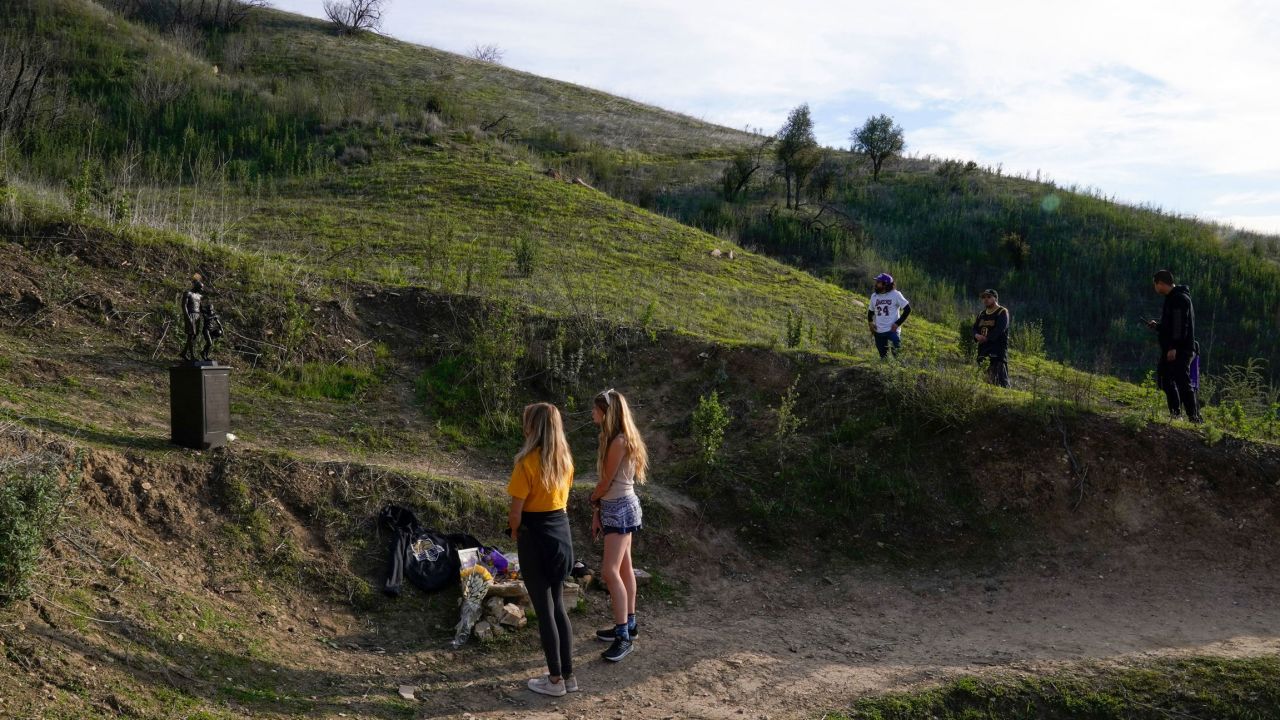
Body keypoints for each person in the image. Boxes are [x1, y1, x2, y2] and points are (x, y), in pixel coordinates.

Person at [507, 403, 579, 696]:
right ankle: (569, 676)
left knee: (545, 610)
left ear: (532, 427)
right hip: (561, 536)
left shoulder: (526, 463)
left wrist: (514, 532)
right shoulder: (566, 462)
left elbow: (516, 513)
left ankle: (554, 681)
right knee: (559, 607)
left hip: (535, 538)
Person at [588, 389, 649, 663]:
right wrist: (597, 509)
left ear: (606, 412)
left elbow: (605, 483)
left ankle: (623, 636)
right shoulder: (616, 439)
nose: (592, 414)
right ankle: (629, 625)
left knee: (610, 571)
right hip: (619, 506)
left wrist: (593, 499)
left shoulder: (618, 442)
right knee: (624, 568)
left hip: (620, 508)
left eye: (595, 409)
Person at [1146, 269, 1202, 422]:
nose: (1155, 288)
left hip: (1180, 349)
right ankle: (1176, 414)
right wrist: (1158, 326)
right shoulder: (1173, 298)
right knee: (1165, 378)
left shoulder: (1179, 298)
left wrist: (1173, 347)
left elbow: (1179, 326)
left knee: (1182, 381)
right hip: (1174, 347)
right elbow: (1171, 325)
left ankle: (1194, 417)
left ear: (1161, 284)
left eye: (1155, 285)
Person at [867, 273, 911, 359]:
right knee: (883, 357)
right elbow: (870, 312)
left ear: (885, 284)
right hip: (879, 331)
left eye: (878, 282)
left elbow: (908, 309)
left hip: (892, 331)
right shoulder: (874, 296)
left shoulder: (896, 294)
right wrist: (870, 323)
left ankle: (899, 369)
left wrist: (897, 324)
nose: (876, 284)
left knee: (897, 355)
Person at [972, 289, 1011, 387]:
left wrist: (987, 338)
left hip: (997, 351)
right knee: (986, 380)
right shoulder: (981, 314)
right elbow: (974, 328)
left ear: (995, 298)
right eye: (984, 297)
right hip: (983, 350)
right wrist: (976, 335)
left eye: (989, 297)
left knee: (1001, 381)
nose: (986, 299)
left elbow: (1000, 329)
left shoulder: (1002, 312)